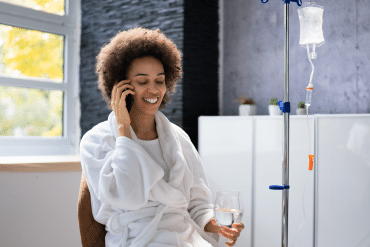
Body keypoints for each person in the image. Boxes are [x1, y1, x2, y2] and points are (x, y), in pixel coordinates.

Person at [80, 26, 244, 247]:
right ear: (120, 87)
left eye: (159, 81)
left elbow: (197, 204)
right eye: (142, 81)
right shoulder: (97, 141)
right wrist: (123, 131)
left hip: (185, 238)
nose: (154, 90)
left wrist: (217, 225)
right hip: (136, 240)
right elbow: (126, 196)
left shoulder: (178, 138)